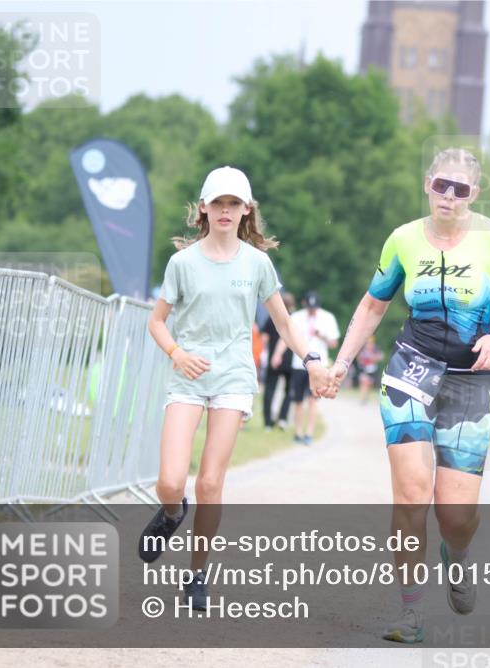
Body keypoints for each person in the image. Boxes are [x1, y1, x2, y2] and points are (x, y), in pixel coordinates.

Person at [327, 148, 490, 643]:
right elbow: (373, 304)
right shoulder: (403, 240)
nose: (449, 195)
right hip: (411, 370)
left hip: (468, 382)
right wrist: (342, 363)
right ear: (427, 183)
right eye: (441, 185)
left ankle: (458, 552)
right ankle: (410, 614)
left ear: (475, 194)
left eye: (460, 189)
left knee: (455, 516)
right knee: (410, 496)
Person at [137, 166, 329, 610]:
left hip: (234, 378)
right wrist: (177, 353)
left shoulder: (257, 263)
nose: (226, 210)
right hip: (187, 376)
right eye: (219, 203)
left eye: (234, 203)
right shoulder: (183, 263)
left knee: (210, 482)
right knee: (170, 481)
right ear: (204, 208)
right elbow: (157, 321)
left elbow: (284, 323)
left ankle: (196, 575)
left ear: (247, 210)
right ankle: (171, 513)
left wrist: (312, 360)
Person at [287, 290, 339, 445]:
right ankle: (298, 432)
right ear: (304, 304)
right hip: (299, 364)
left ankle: (309, 433)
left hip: (319, 365)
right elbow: (288, 338)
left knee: (313, 400)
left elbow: (334, 343)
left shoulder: (327, 318)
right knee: (298, 401)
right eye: (309, 308)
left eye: (314, 308)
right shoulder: (296, 317)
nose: (312, 311)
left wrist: (320, 335)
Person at [261, 292, 297, 430]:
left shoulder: (272, 317)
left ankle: (268, 421)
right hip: (289, 359)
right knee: (288, 391)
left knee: (270, 389)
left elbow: (264, 338)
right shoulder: (293, 318)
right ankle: (282, 418)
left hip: (273, 359)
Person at [355, 335, 384, 402]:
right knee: (364, 382)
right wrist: (361, 361)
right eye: (368, 343)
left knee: (370, 383)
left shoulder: (375, 348)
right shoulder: (363, 349)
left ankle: (366, 396)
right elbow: (358, 357)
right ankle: (362, 398)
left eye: (370, 342)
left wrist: (374, 357)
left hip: (373, 369)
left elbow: (381, 356)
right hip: (364, 369)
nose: (369, 344)